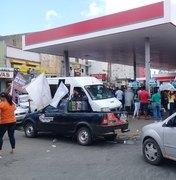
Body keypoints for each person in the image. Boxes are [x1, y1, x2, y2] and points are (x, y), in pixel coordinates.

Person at [0, 92, 16, 157]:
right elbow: (14, 109)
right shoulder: (12, 103)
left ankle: (0, 151)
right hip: (13, 122)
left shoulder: (2, 104)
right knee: (11, 136)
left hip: (4, 122)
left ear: (3, 97)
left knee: (0, 136)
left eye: (0, 97)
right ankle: (13, 150)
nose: (0, 98)